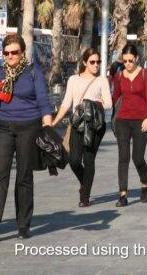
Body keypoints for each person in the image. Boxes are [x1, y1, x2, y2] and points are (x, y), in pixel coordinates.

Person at [0, 34, 53, 243]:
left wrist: (47, 121)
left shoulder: (32, 71)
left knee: (24, 176)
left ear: (22, 52)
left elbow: (42, 99)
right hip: (3, 127)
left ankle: (23, 225)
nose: (10, 56)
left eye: (14, 52)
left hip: (29, 126)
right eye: (7, 53)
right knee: (0, 176)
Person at [51, 48, 112, 207]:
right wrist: (54, 121)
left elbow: (109, 103)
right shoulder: (73, 79)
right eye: (92, 62)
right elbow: (66, 103)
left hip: (95, 126)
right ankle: (85, 183)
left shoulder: (101, 80)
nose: (96, 65)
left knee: (89, 159)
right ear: (84, 62)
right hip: (78, 124)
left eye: (98, 62)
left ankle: (84, 196)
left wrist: (96, 102)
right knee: (74, 160)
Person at [111, 45, 147, 207]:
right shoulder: (119, 75)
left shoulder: (145, 74)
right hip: (122, 120)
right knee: (123, 157)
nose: (127, 64)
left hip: (141, 121)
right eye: (125, 61)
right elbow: (115, 96)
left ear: (136, 58)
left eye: (130, 60)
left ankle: (145, 184)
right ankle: (123, 194)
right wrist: (102, 103)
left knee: (137, 157)